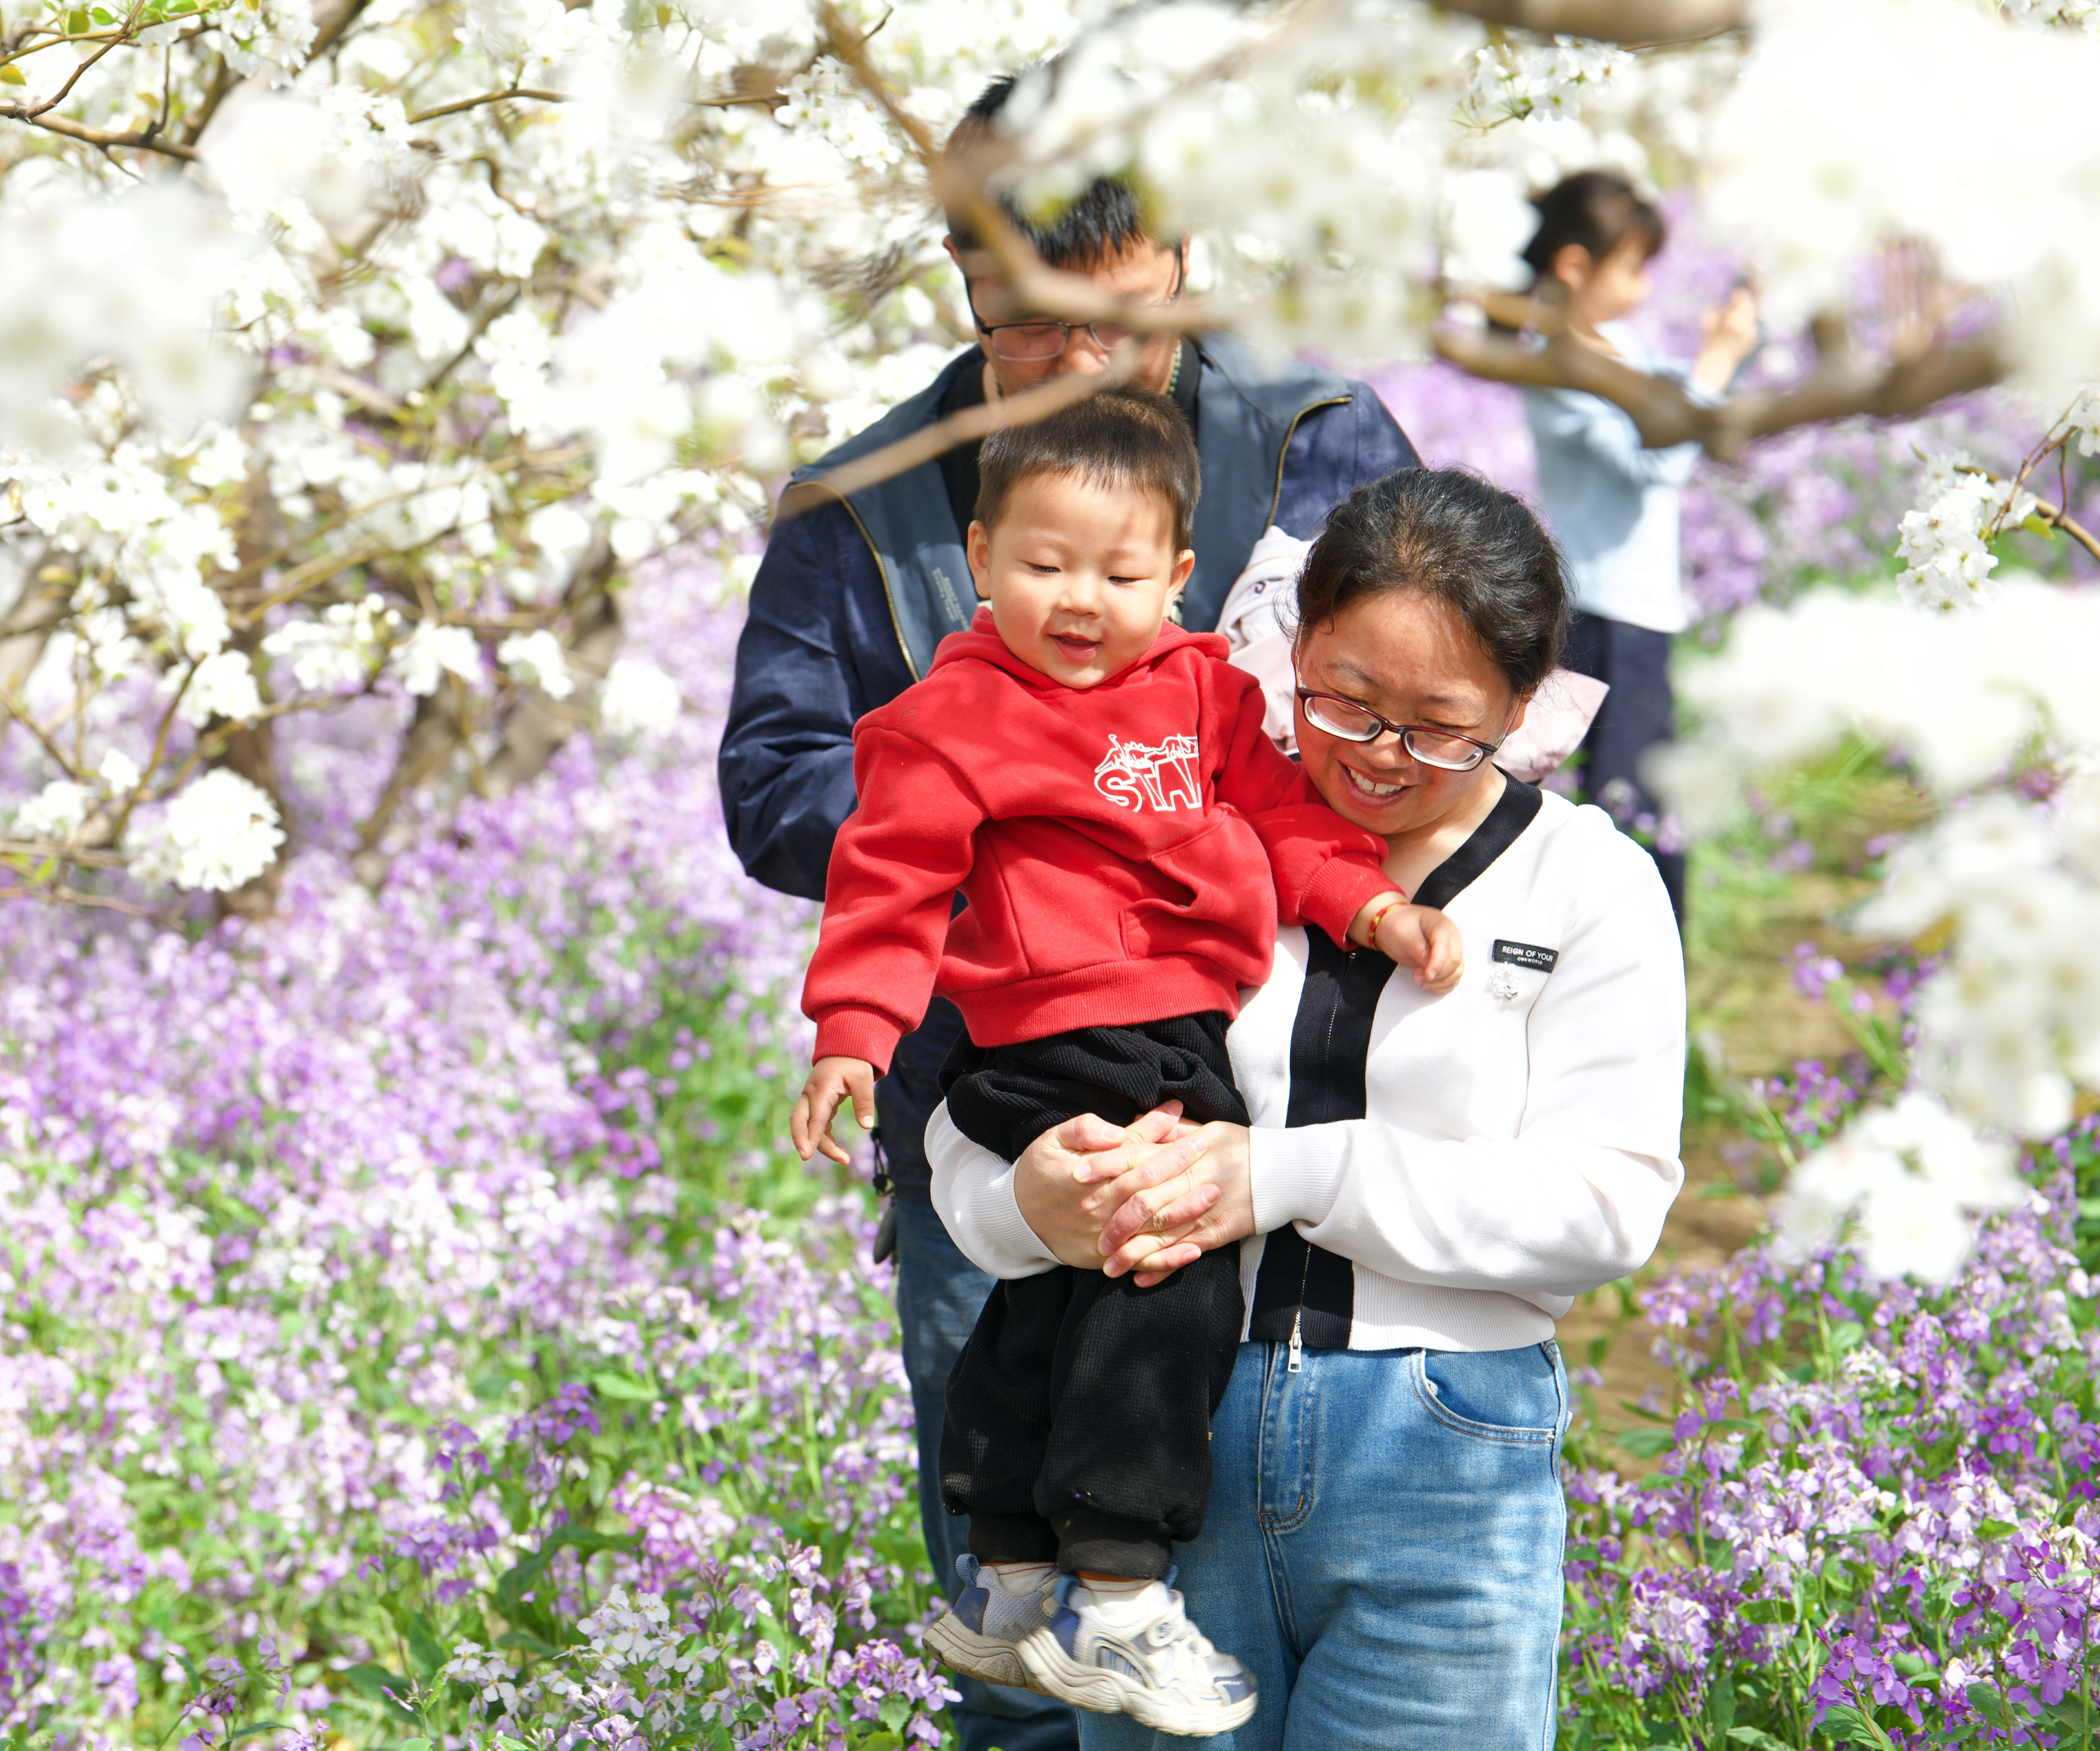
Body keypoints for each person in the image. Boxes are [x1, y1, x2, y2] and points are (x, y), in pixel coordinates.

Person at [717, 64, 1423, 1751]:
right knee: (1032, 1607)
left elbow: (1448, 711)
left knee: (1307, 1569)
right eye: (1027, 332)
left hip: (1304, 1102)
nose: (1083, 372)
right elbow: (773, 782)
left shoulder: (1322, 442)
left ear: (1184, 255)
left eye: (1124, 324)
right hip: (1007, 1110)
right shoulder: (870, 500)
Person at [930, 468, 1687, 1751]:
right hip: (1165, 1438)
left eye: (1441, 726)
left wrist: (1285, 1174)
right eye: (1341, 700)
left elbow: (1606, 1207)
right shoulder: (1171, 820)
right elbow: (984, 1099)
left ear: (1522, 704)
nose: (1379, 757)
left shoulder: (1589, 884)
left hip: (1442, 1447)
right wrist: (1017, 1208)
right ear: (1290, 645)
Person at [787, 390, 1459, 1737]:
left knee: (1071, 1287)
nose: (1079, 600)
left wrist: (1369, 906)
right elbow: (887, 880)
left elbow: (1281, 820)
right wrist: (854, 1031)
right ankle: (1121, 1586)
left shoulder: (1204, 691)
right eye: (1042, 566)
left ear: (1179, 574)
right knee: (1172, 1274)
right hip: (1058, 1029)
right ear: (977, 559)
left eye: (1117, 571)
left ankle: (1010, 1565)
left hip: (1168, 1028)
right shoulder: (950, 716)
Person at [1516, 171, 1758, 919]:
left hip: (1640, 612)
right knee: (1624, 814)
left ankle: (1656, 991)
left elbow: (1688, 415)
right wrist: (1714, 365)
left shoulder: (1617, 346)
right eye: (1633, 268)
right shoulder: (1556, 362)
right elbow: (1654, 457)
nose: (1647, 289)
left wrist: (1726, 351)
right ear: (1574, 267)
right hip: (1603, 615)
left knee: (1650, 810)